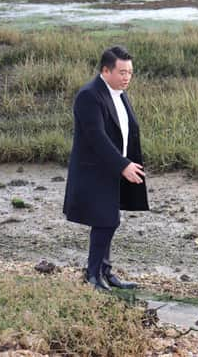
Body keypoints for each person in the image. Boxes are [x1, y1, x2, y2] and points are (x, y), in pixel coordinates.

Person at [63, 45, 149, 291]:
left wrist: (127, 162)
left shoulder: (119, 93)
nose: (127, 77)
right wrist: (123, 165)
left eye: (130, 72)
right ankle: (92, 276)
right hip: (95, 171)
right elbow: (96, 137)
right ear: (105, 70)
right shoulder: (89, 95)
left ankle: (105, 272)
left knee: (110, 221)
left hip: (114, 168)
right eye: (122, 72)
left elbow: (125, 131)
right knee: (105, 221)